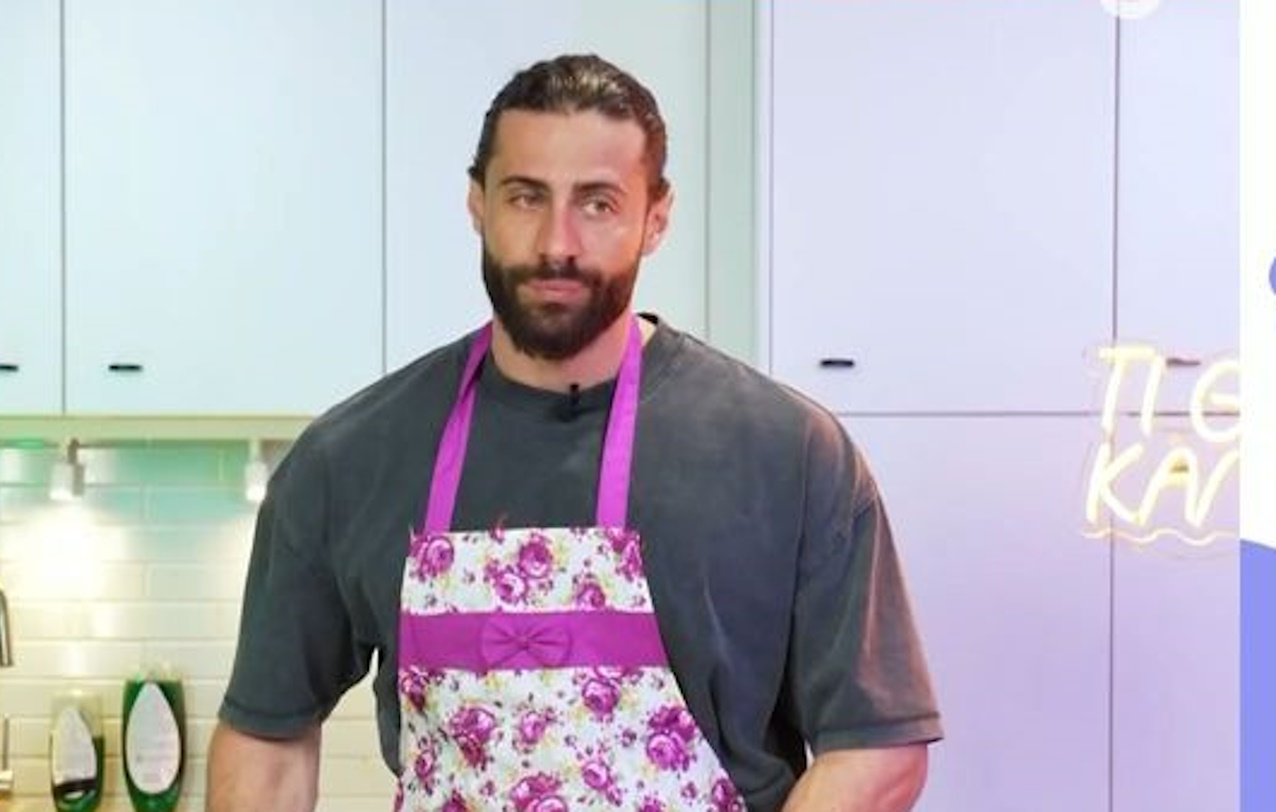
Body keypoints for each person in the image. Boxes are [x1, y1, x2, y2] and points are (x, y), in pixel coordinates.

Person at [207, 53, 942, 812]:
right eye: (526, 196)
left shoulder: (790, 454)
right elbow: (267, 741)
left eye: (597, 203)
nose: (556, 243)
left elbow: (876, 747)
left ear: (656, 218)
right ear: (477, 204)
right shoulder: (347, 460)